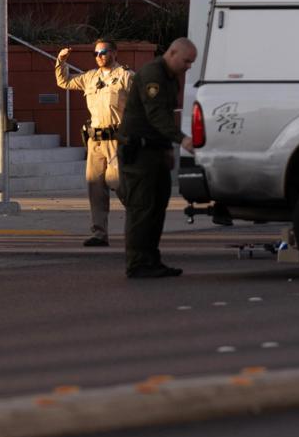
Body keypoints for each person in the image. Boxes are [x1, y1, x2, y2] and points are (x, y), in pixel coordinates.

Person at [118, 37, 198, 279]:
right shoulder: (153, 75)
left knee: (157, 207)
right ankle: (138, 262)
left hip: (154, 151)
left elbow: (164, 115)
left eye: (191, 62)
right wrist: (181, 140)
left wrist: (166, 150)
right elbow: (156, 116)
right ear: (172, 53)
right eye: (186, 61)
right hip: (139, 152)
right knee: (141, 208)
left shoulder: (170, 78)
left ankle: (151, 259)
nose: (188, 66)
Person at [56, 39, 133, 247]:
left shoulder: (126, 77)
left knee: (118, 182)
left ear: (114, 53)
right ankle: (99, 234)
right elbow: (64, 82)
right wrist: (61, 61)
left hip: (117, 140)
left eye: (104, 52)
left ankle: (140, 216)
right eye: (96, 53)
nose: (99, 56)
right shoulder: (90, 77)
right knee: (95, 188)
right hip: (95, 142)